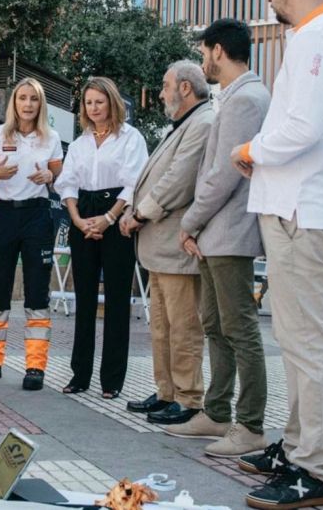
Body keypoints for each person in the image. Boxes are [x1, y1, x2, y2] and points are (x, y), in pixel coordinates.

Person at [228, 0, 323, 507]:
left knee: (308, 344)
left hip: (303, 212)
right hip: (301, 209)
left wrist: (250, 150)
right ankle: (296, 447)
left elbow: (302, 128)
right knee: (298, 341)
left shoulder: (319, 38)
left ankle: (312, 467)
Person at [162, 20, 271, 458]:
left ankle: (250, 426)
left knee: (239, 328)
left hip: (230, 233)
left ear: (219, 51)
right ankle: (218, 412)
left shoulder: (246, 99)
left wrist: (189, 222)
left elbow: (223, 174)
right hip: (216, 233)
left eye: (204, 52)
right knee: (216, 326)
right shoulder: (236, 96)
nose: (203, 60)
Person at [120, 61, 211, 425]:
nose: (160, 93)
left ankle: (188, 399)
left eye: (165, 85)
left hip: (177, 246)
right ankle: (166, 392)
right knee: (161, 327)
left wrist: (140, 213)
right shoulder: (184, 124)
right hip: (160, 248)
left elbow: (179, 179)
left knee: (183, 327)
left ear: (185, 87)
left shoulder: (203, 122)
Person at [55, 77, 148, 399]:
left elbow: (134, 182)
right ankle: (79, 375)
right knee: (83, 298)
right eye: (89, 102)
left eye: (99, 101)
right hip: (83, 214)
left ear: (112, 102)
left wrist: (109, 218)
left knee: (117, 300)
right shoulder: (80, 143)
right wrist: (77, 219)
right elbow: (67, 183)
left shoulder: (131, 137)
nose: (94, 108)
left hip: (117, 216)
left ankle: (112, 380)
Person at [0, 78, 63, 392]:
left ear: (41, 104)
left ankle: (35, 366)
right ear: (14, 102)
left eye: (33, 99)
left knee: (37, 291)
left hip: (37, 215)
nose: (27, 104)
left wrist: (50, 175)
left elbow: (59, 179)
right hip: (3, 215)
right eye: (22, 98)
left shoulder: (51, 137)